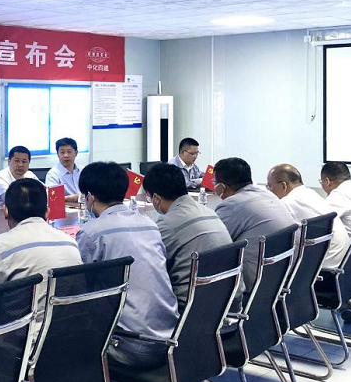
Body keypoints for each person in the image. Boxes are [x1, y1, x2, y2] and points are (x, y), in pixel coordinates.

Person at [77, 162, 179, 371]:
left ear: (90, 197)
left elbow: (78, 285)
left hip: (130, 346)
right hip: (172, 337)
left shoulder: (93, 232)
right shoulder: (149, 224)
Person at [0, 177, 82, 327]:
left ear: (6, 211)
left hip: (20, 338)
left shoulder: (0, 248)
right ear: (47, 212)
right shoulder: (70, 243)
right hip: (72, 332)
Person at [144, 163, 232, 310]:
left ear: (156, 198)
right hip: (228, 300)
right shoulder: (209, 211)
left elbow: (150, 268)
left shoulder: (167, 223)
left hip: (194, 308)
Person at [213, 158, 296, 299]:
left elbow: (213, 244)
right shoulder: (268, 194)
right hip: (281, 276)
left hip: (255, 283)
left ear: (221, 187)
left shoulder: (232, 205)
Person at [267, 164, 350, 269]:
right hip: (342, 259)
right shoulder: (310, 193)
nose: (269, 191)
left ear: (283, 185)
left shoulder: (287, 203)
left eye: (270, 186)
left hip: (324, 266)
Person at [0, 145, 39, 210]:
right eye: (17, 161)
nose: (20, 165)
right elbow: (13, 202)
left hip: (20, 213)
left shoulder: (30, 175)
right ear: (9, 162)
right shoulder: (1, 179)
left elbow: (44, 192)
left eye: (24, 161)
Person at [44, 137, 82, 203]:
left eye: (69, 152)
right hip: (65, 207)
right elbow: (53, 198)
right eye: (62, 152)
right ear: (58, 155)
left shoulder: (83, 171)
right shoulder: (53, 174)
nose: (66, 155)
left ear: (76, 153)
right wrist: (75, 198)